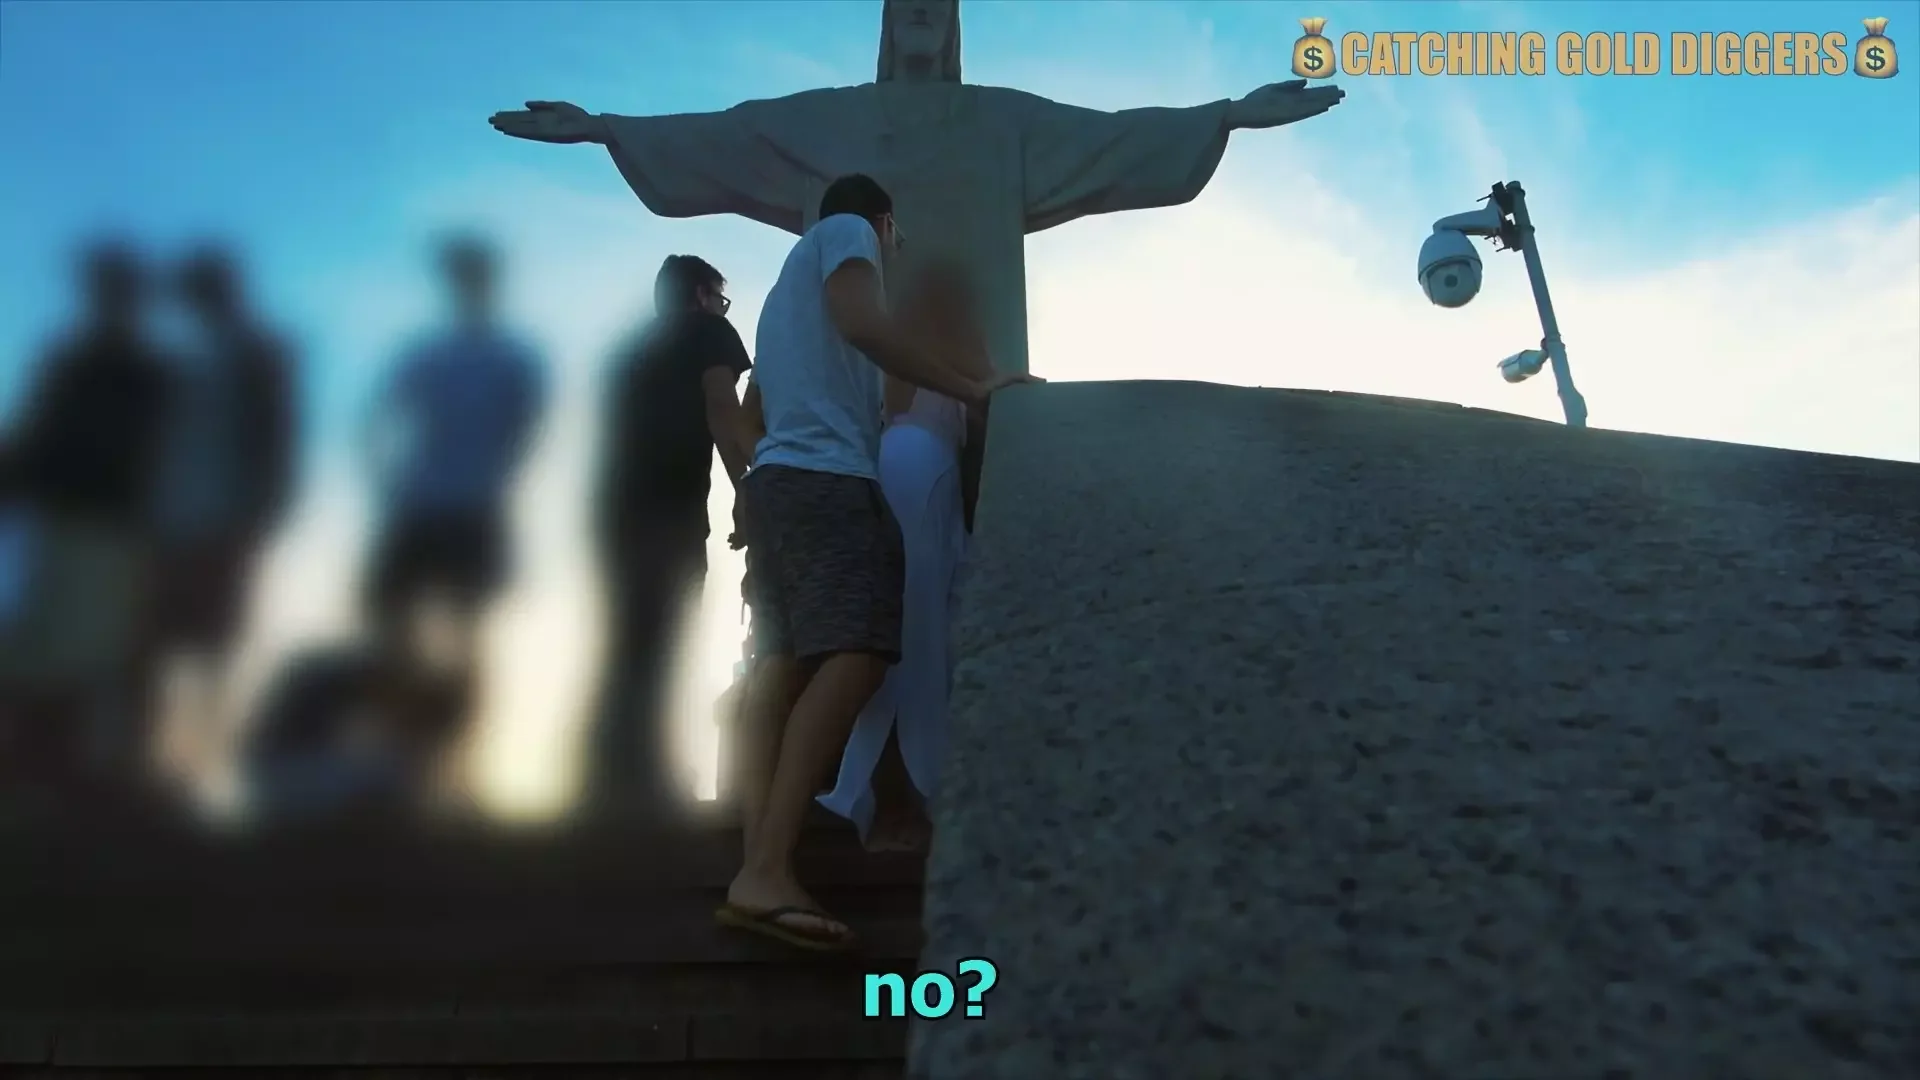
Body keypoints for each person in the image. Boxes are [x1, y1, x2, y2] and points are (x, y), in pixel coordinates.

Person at [718, 174, 1032, 951]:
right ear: (885, 225)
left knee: (782, 665)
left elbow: (752, 414)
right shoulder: (847, 235)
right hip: (828, 481)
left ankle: (759, 865)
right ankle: (768, 865)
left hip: (781, 482)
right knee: (860, 652)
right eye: (896, 239)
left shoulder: (780, 300)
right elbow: (864, 325)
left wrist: (753, 487)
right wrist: (974, 388)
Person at [816, 256, 992, 852]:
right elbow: (984, 400)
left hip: (891, 461)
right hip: (925, 466)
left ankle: (877, 794)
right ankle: (916, 794)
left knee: (901, 630)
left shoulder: (892, 344)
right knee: (922, 636)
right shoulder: (951, 333)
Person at [0, 241, 175, 801]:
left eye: (115, 287)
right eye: (101, 287)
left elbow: (161, 456)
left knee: (88, 653)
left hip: (112, 527)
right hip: (59, 523)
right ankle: (33, 770)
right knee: (43, 646)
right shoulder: (68, 362)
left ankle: (71, 777)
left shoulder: (151, 374)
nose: (104, 298)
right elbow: (34, 432)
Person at [587, 254, 754, 819]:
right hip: (670, 511)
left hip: (618, 515)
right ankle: (651, 785)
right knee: (667, 645)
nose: (722, 309)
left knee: (632, 649)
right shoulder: (708, 331)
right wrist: (749, 491)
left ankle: (617, 784)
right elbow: (722, 410)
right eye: (720, 299)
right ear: (702, 295)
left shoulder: (637, 352)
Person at [361, 237, 546, 698]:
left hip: (466, 504)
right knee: (395, 611)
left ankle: (448, 721)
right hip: (431, 499)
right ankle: (407, 706)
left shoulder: (504, 359)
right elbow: (379, 415)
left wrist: (495, 475)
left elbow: (526, 430)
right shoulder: (441, 354)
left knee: (462, 620)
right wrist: (387, 480)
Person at [146, 244, 298, 792]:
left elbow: (277, 437)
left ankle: (197, 771)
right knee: (162, 647)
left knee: (212, 648)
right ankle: (159, 769)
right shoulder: (179, 360)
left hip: (223, 521)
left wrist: (261, 511)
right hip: (168, 522)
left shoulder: (259, 352)